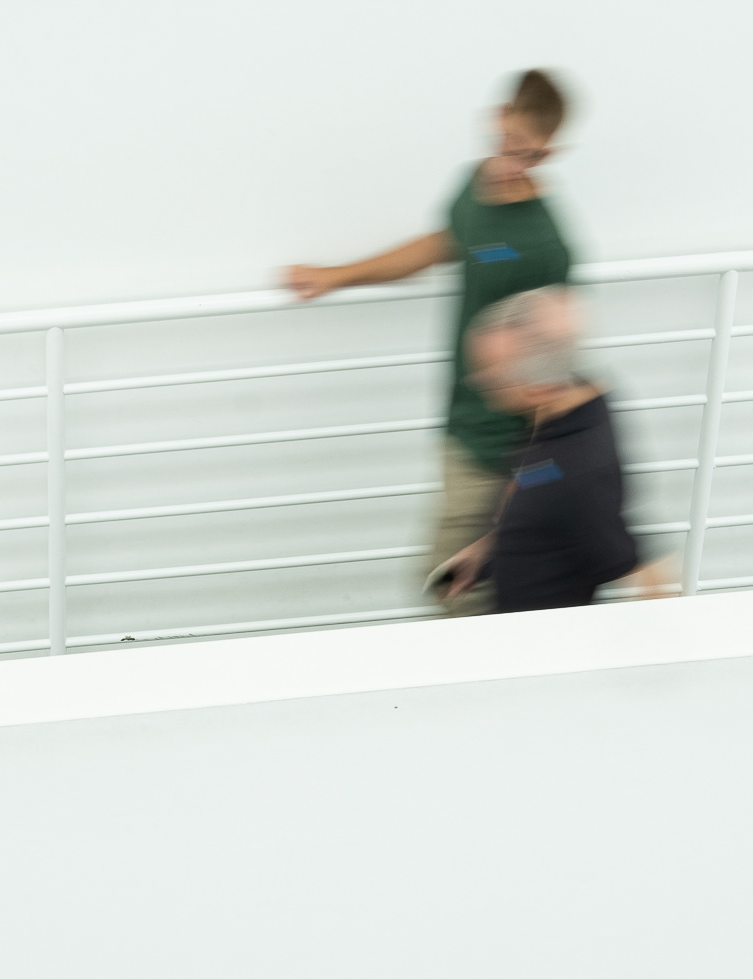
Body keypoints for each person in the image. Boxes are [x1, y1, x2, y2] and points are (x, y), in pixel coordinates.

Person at [285, 70, 573, 605]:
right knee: (467, 594)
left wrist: (524, 481)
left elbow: (555, 367)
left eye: (530, 154)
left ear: (551, 152)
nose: (514, 162)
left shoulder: (545, 245)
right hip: (459, 425)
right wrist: (337, 276)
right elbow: (444, 244)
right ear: (498, 119)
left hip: (499, 449)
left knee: (452, 592)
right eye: (510, 143)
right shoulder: (473, 187)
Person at [441, 285, 674, 612]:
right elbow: (538, 483)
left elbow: (652, 580)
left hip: (539, 636)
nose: (478, 383)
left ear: (539, 389)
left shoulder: (580, 473)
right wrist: (489, 548)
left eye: (492, 377)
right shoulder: (575, 401)